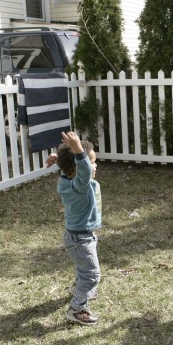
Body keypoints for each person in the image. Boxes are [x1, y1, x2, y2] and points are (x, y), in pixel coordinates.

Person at [46, 131, 102, 325]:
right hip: (81, 239)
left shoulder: (67, 179)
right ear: (77, 169)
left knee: (83, 268)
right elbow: (84, 170)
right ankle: (77, 309)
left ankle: (78, 288)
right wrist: (78, 150)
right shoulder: (80, 185)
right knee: (92, 275)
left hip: (79, 236)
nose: (94, 165)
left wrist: (60, 160)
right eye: (92, 161)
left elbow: (73, 168)